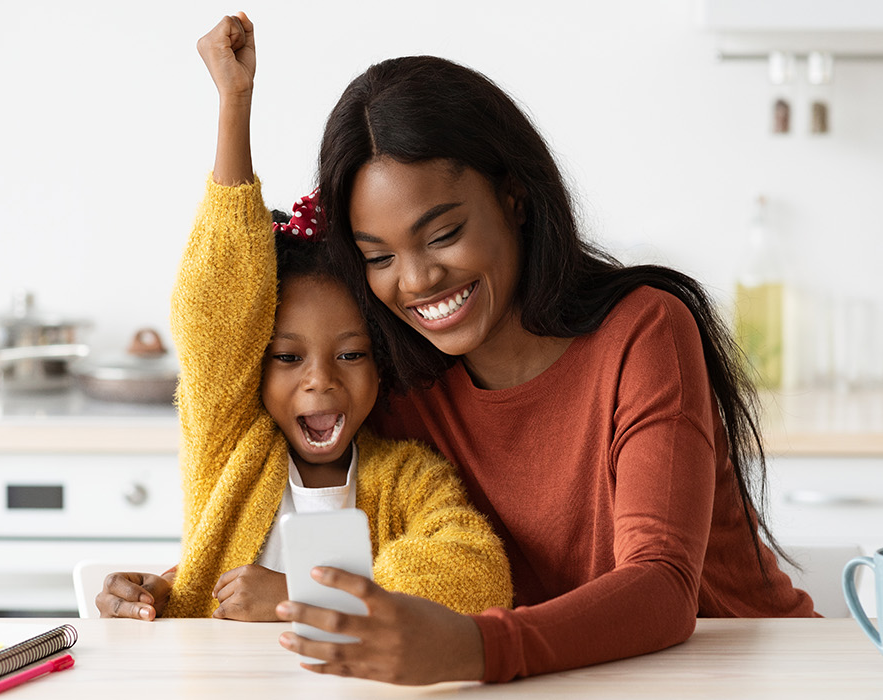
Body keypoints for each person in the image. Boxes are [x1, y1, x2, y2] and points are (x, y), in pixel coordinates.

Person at [265, 53, 818, 684]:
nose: (416, 280)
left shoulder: (644, 333)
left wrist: (474, 647)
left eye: (443, 234)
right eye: (379, 256)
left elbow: (662, 587)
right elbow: (276, 485)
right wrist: (181, 583)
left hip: (749, 672)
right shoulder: (396, 380)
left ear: (514, 198)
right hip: (566, 681)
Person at [93, 13, 511, 624]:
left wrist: (301, 597)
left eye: (351, 354)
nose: (320, 381)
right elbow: (218, 309)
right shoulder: (231, 449)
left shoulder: (406, 479)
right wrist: (235, 103)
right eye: (288, 357)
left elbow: (477, 574)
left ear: (383, 360)